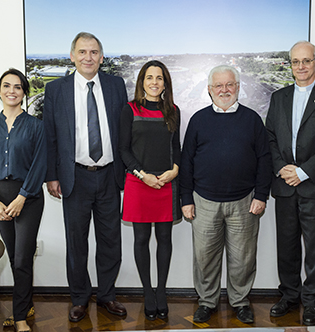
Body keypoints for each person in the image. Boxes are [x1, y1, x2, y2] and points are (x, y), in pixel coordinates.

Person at [44, 32, 128, 322]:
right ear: (72, 56)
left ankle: (106, 295)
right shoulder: (56, 90)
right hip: (74, 177)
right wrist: (52, 175)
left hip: (109, 175)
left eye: (94, 52)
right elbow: (50, 136)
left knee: (110, 242)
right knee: (76, 243)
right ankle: (79, 298)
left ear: (101, 57)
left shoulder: (116, 86)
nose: (88, 57)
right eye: (82, 52)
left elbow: (125, 133)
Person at [180, 65, 272, 324]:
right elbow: (186, 161)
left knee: (243, 258)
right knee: (205, 258)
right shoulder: (198, 120)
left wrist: (261, 195)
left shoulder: (252, 119)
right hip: (204, 201)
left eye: (229, 84)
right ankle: (207, 301)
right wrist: (185, 199)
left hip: (244, 201)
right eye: (218, 85)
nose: (224, 90)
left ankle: (240, 301)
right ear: (209, 90)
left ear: (238, 87)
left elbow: (265, 159)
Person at [265, 41, 315, 325]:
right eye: (296, 61)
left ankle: (312, 301)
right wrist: (281, 168)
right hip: (284, 185)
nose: (301, 66)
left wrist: (304, 171)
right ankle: (289, 296)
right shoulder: (279, 97)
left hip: (314, 186)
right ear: (290, 64)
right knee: (286, 246)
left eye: (306, 61)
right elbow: (270, 137)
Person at [0, 68, 46, 332]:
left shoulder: (36, 126)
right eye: (7, 86)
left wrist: (21, 198)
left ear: (24, 92)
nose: (12, 91)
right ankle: (25, 304)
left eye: (18, 87)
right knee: (15, 254)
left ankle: (19, 318)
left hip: (28, 197)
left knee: (22, 257)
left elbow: (40, 165)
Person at [119, 60, 181, 320]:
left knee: (165, 240)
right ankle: (147, 292)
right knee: (141, 240)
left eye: (159, 78)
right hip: (139, 182)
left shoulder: (173, 110)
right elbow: (123, 149)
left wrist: (175, 170)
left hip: (166, 183)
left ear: (165, 83)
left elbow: (176, 146)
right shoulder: (130, 109)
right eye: (149, 78)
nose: (154, 82)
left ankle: (162, 291)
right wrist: (142, 175)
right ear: (142, 82)